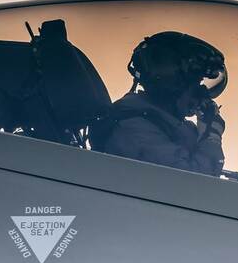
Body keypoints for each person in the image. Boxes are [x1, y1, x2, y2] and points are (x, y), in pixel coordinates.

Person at [95, 31, 228, 176]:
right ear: (173, 87)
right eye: (195, 85)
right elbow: (192, 182)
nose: (202, 96)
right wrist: (211, 136)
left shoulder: (171, 126)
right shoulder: (134, 129)